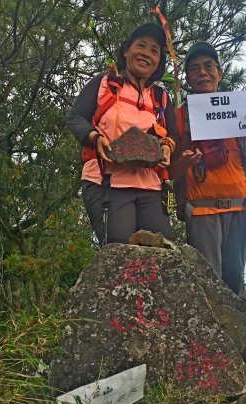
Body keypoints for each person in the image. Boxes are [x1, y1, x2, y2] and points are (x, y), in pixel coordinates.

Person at [67, 23, 177, 245]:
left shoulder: (161, 98)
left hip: (151, 186)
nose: (146, 53)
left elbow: (172, 133)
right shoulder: (104, 84)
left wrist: (166, 145)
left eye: (154, 50)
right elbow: (75, 117)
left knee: (161, 250)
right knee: (119, 249)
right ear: (126, 50)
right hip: (107, 180)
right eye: (141, 46)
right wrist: (94, 137)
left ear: (159, 62)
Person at [171, 42, 246, 299]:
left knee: (235, 282)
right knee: (206, 287)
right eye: (195, 68)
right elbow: (171, 169)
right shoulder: (181, 117)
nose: (203, 72)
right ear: (188, 78)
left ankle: (239, 339)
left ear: (219, 73)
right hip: (202, 209)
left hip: (238, 206)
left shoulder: (238, 112)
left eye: (209, 66)